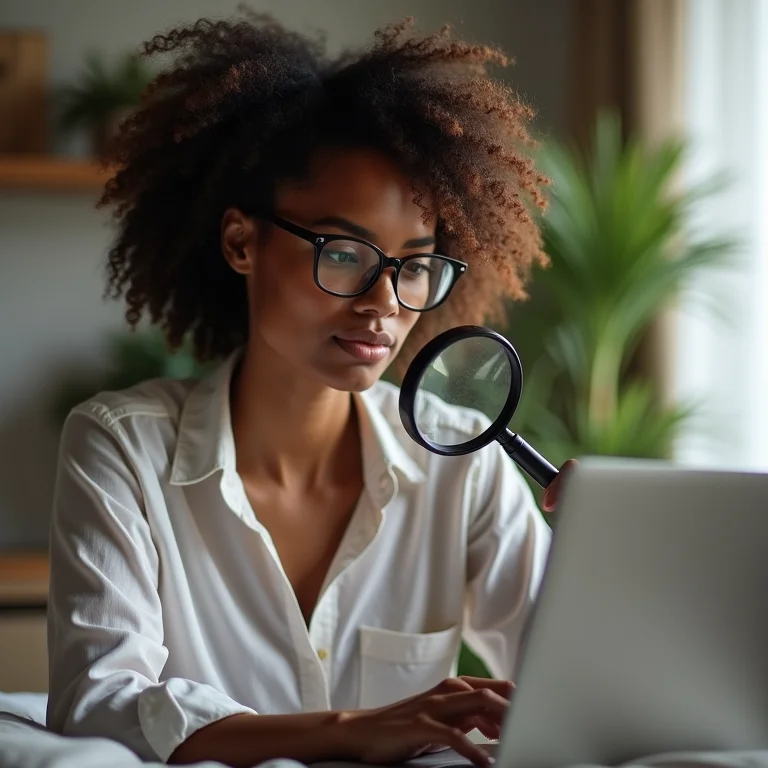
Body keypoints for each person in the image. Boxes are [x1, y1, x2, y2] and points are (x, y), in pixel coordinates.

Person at [46, 12, 572, 768]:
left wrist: (603, 566)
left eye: (414, 263)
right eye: (345, 252)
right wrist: (351, 730)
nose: (384, 302)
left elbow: (589, 691)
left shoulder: (467, 466)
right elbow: (98, 701)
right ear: (241, 243)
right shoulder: (123, 448)